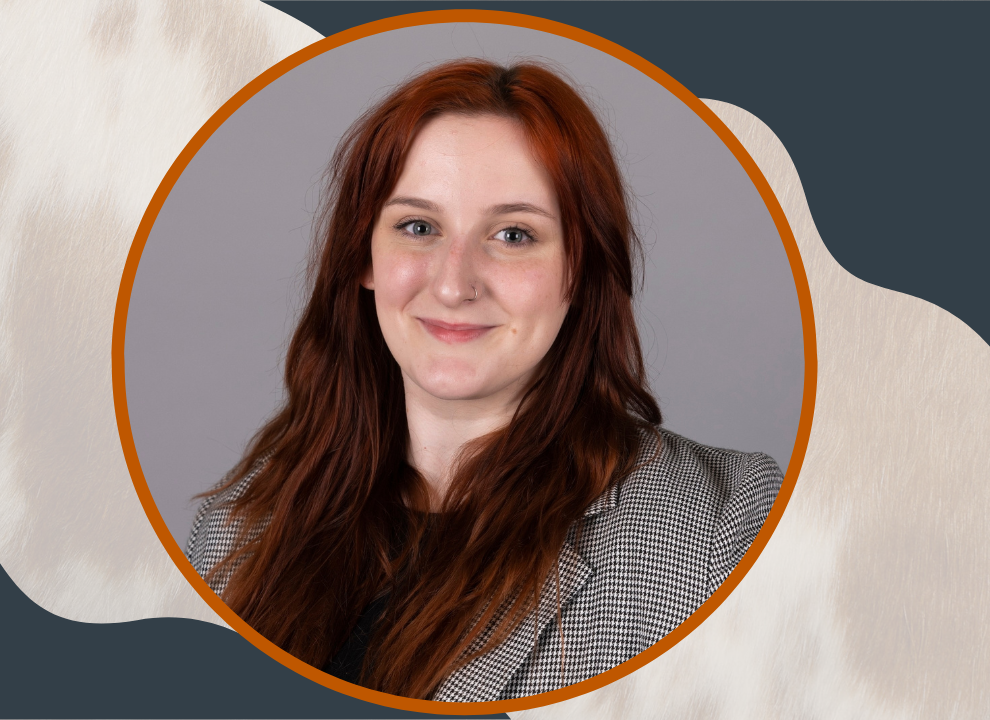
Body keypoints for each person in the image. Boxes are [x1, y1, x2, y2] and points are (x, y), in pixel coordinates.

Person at [186, 58, 783, 702]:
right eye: (418, 226)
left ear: (581, 271)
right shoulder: (242, 523)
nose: (452, 283)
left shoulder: (725, 532)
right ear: (363, 257)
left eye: (514, 234)